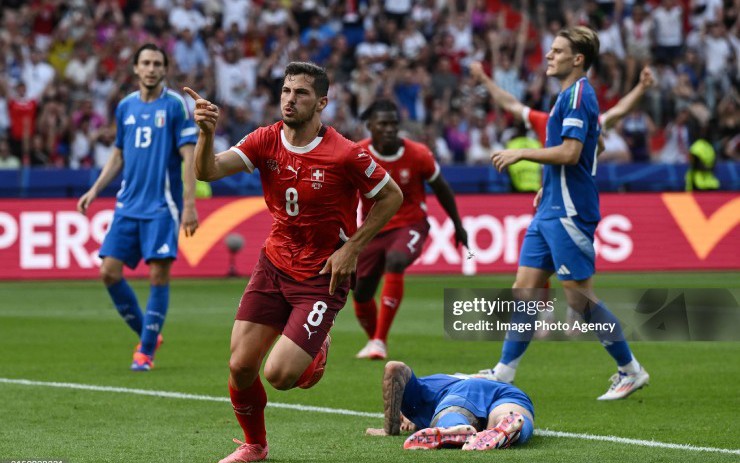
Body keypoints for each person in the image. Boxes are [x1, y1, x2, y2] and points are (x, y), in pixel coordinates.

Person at [184, 61, 403, 463]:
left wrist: (352, 248)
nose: (289, 99)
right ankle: (255, 446)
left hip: (323, 274)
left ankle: (316, 348)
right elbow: (208, 170)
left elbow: (391, 197)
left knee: (281, 376)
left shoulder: (345, 153)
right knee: (240, 366)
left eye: (300, 93)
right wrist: (206, 132)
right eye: (286, 91)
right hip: (274, 262)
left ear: (322, 102)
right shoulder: (264, 140)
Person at [486, 27, 649, 400]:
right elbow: (585, 147)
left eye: (557, 50)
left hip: (570, 212)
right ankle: (503, 372)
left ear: (578, 59)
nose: (549, 56)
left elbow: (572, 153)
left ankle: (630, 370)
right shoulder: (566, 96)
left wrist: (521, 153)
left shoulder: (578, 95)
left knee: (578, 300)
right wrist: (549, 180)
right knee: (524, 288)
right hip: (550, 208)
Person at [77, 43, 199, 372]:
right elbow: (118, 152)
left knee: (158, 275)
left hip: (162, 206)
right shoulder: (125, 107)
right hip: (127, 205)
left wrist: (190, 204)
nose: (151, 68)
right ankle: (149, 333)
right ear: (135, 68)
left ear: (164, 69)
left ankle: (144, 352)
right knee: (108, 272)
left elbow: (189, 157)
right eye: (145, 63)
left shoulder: (175, 105)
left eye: (157, 63)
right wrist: (95, 189)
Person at [353, 99, 468, 360]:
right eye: (383, 124)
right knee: (360, 293)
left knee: (396, 260)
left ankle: (380, 341)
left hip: (410, 222)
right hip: (372, 229)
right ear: (370, 126)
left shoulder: (418, 154)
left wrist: (458, 225)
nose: (390, 129)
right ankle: (373, 340)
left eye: (394, 123)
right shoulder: (358, 155)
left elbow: (442, 188)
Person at [365, 361, 534, 451]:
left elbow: (394, 367)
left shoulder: (419, 394)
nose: (404, 425)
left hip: (459, 392)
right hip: (506, 392)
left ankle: (454, 427)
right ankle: (503, 427)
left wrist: (390, 429)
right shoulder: (435, 386)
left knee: (452, 414)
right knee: (511, 417)